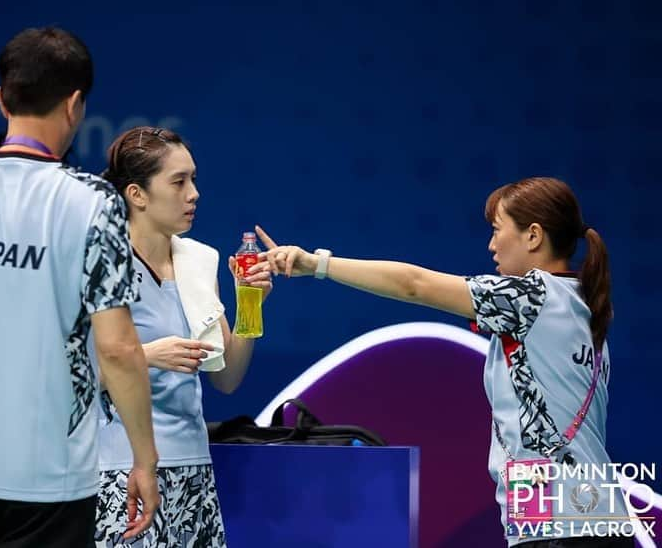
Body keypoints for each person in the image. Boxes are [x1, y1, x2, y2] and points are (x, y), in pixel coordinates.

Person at [253, 177, 633, 548]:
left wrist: (316, 264)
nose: (491, 245)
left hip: (558, 524)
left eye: (498, 230)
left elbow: (413, 284)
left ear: (533, 236)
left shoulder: (529, 297)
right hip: (593, 513)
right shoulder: (582, 301)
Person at [0, 27, 159, 547]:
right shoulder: (94, 203)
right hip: (49, 479)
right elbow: (116, 348)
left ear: (2, 99)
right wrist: (144, 458)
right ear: (75, 105)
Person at [93, 126, 273, 548]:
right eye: (178, 182)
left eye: (193, 179)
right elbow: (64, 378)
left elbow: (225, 379)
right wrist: (146, 355)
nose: (194, 193)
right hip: (117, 470)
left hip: (193, 467)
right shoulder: (98, 260)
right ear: (137, 194)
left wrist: (251, 305)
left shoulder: (198, 261)